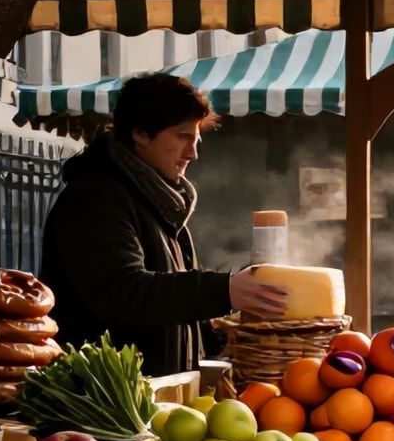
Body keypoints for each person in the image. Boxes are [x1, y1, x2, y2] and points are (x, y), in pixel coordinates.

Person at [42, 72, 287, 376]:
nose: (193, 153)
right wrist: (225, 291)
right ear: (141, 132)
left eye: (196, 140)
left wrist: (220, 338)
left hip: (161, 399)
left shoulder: (161, 200)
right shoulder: (94, 198)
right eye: (182, 137)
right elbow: (123, 291)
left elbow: (174, 303)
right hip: (104, 403)